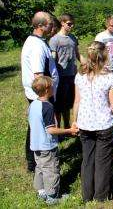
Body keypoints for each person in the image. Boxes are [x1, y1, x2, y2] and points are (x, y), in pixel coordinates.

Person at [72, 41, 113, 202]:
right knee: (103, 161)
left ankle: (87, 195)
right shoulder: (109, 78)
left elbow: (76, 101)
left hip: (84, 125)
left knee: (87, 160)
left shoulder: (79, 76)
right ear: (103, 56)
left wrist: (74, 121)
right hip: (104, 126)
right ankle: (101, 196)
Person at [28, 76, 78, 204]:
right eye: (52, 86)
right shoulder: (48, 107)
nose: (54, 88)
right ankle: (52, 196)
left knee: (39, 168)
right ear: (46, 90)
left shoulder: (33, 104)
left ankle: (41, 192)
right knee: (51, 170)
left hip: (35, 145)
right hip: (47, 146)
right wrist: (68, 131)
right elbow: (50, 130)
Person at [21, 11, 59, 172]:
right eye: (50, 23)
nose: (52, 26)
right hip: (42, 94)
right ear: (41, 25)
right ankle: (36, 162)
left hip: (42, 94)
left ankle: (35, 160)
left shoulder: (37, 41)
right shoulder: (36, 46)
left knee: (36, 126)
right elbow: (39, 76)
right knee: (40, 127)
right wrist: (46, 97)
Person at [49, 13, 82, 129]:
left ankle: (68, 126)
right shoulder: (54, 40)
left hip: (72, 75)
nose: (71, 26)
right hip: (59, 77)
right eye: (69, 24)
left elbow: (78, 55)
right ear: (62, 23)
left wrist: (87, 63)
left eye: (73, 24)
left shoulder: (73, 38)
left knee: (69, 103)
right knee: (59, 105)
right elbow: (52, 59)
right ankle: (58, 129)